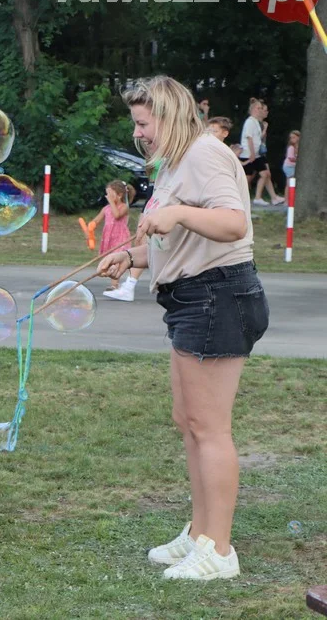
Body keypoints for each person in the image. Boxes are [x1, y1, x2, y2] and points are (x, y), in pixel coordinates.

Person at [99, 75, 269, 580]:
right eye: (136, 124)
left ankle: (218, 551)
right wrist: (131, 256)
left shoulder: (205, 153)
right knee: (188, 421)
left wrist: (173, 211)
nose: (139, 133)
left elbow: (234, 224)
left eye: (143, 123)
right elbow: (182, 242)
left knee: (209, 428)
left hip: (219, 296)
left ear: (169, 116)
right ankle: (199, 535)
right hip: (193, 298)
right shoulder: (175, 162)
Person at [92, 180, 135, 293]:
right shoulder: (106, 209)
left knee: (117, 260)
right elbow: (97, 219)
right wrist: (91, 227)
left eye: (110, 194)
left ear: (120, 195)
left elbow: (116, 215)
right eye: (107, 194)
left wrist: (111, 202)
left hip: (120, 238)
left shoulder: (124, 207)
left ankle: (114, 285)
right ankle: (113, 281)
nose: (108, 197)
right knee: (110, 260)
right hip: (109, 238)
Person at [240, 99, 284, 206]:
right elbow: (249, 138)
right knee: (247, 178)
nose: (260, 110)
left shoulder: (255, 122)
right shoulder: (250, 121)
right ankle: (238, 197)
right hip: (248, 154)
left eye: (260, 108)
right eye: (258, 108)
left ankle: (258, 198)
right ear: (252, 109)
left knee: (265, 174)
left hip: (256, 154)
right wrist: (252, 153)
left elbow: (257, 138)